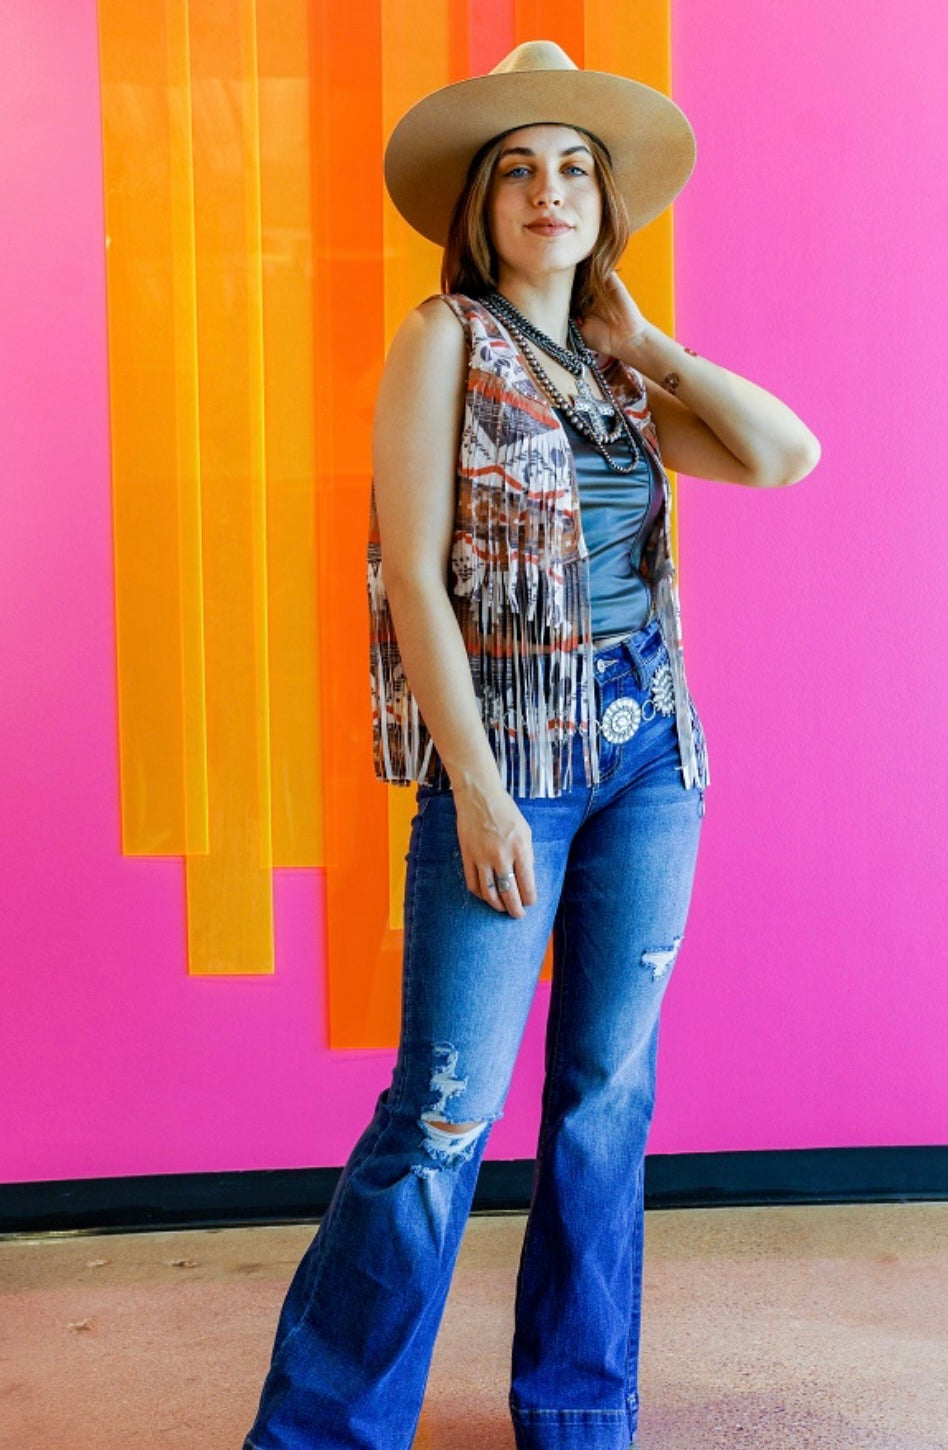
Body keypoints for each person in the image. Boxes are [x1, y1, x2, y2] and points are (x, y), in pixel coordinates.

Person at [242, 39, 820, 1450]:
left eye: (573, 169)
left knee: (605, 1103)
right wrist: (481, 793)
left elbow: (782, 454)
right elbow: (410, 575)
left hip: (650, 762)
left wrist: (651, 347)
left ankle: (576, 1411)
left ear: (603, 203)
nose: (548, 191)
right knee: (443, 1113)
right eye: (518, 171)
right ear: (482, 206)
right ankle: (321, 1432)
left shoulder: (616, 382)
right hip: (511, 766)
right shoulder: (445, 338)